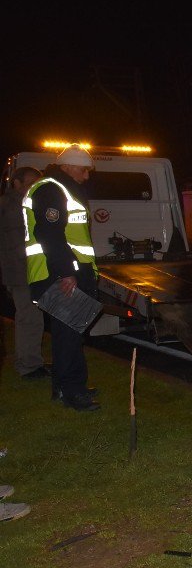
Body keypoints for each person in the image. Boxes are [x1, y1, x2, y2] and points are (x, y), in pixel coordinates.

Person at [22, 144, 101, 412]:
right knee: (69, 334)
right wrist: (66, 271)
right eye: (83, 170)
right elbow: (49, 233)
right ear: (67, 166)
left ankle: (64, 386)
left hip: (61, 271)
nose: (86, 176)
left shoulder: (56, 187)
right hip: (59, 273)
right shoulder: (52, 189)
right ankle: (73, 392)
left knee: (69, 332)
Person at [1, 166, 48, 379]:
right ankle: (28, 366)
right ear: (16, 183)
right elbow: (18, 245)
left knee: (32, 318)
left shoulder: (20, 204)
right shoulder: (11, 207)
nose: (33, 187)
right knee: (29, 318)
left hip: (26, 272)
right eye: (29, 183)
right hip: (21, 273)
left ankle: (30, 362)